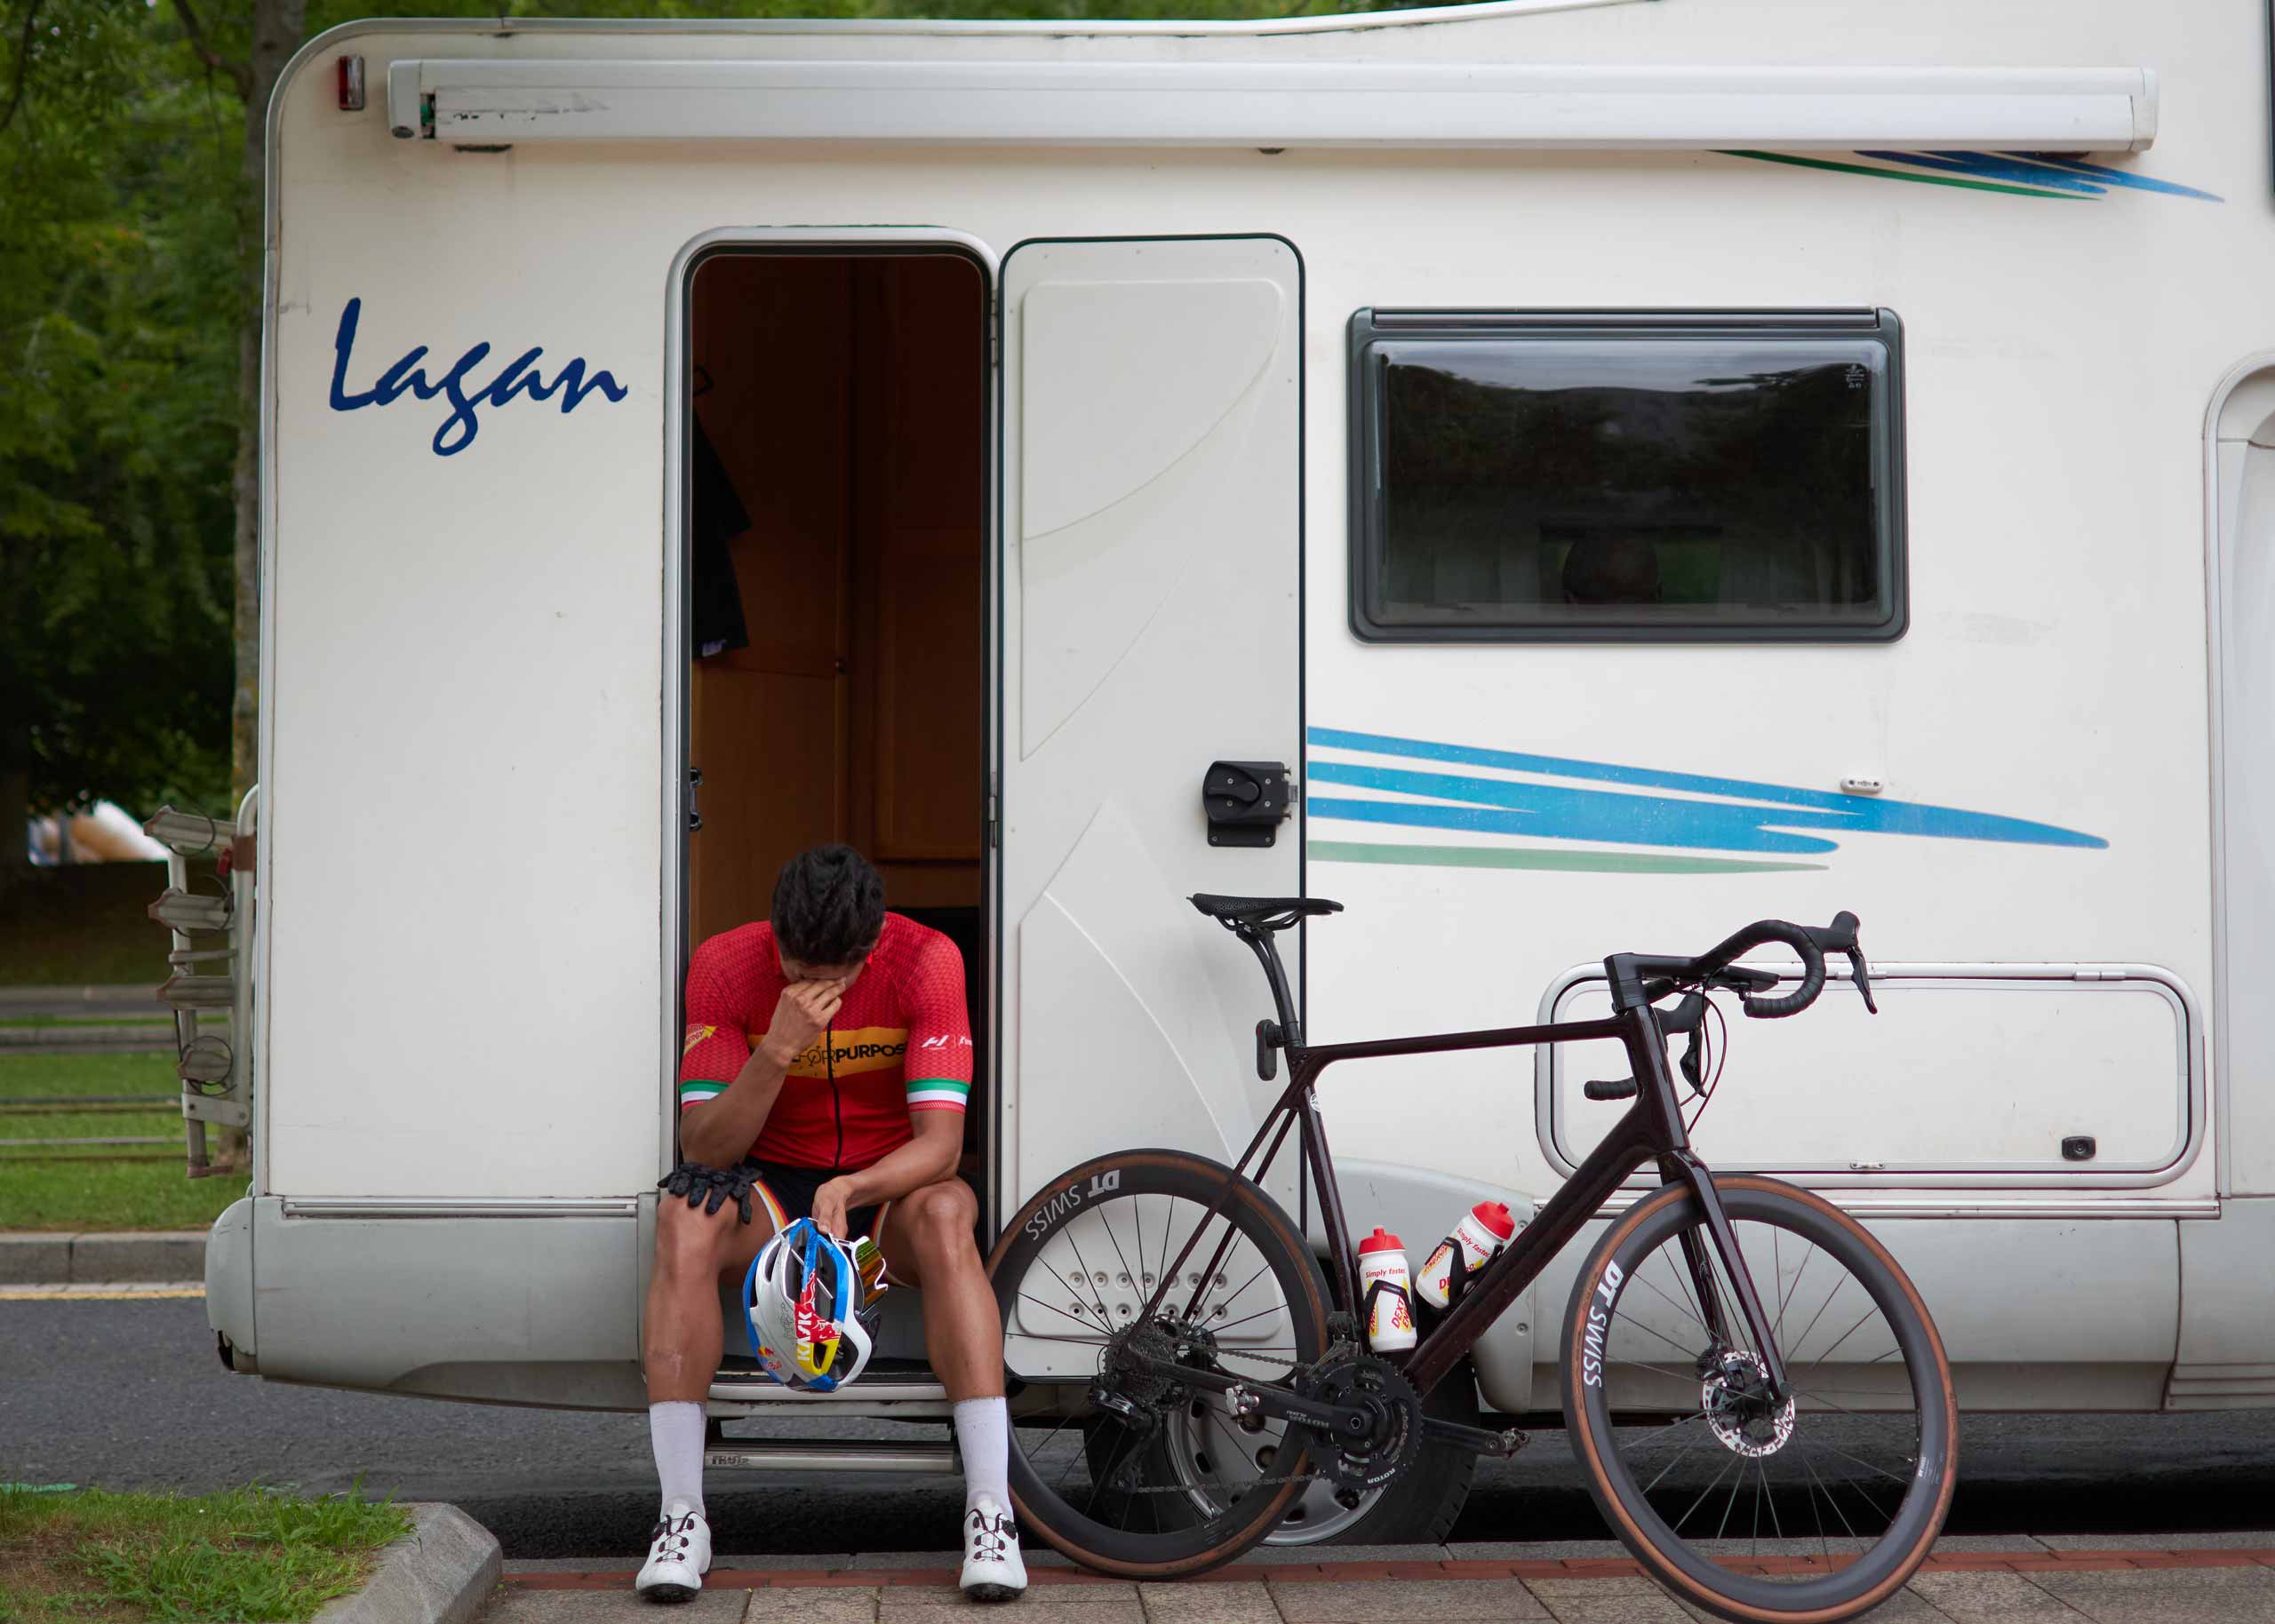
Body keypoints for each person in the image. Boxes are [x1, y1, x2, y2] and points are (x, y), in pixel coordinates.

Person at [636, 844, 1022, 1604]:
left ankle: (991, 1514)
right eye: (795, 968)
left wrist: (854, 1185)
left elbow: (942, 1145)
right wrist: (778, 1049)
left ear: (871, 946)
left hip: (886, 1190)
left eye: (835, 975)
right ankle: (681, 1518)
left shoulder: (925, 960)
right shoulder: (725, 965)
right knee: (684, 1216)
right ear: (773, 933)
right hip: (774, 1187)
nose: (813, 986)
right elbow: (705, 1147)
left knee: (949, 1214)